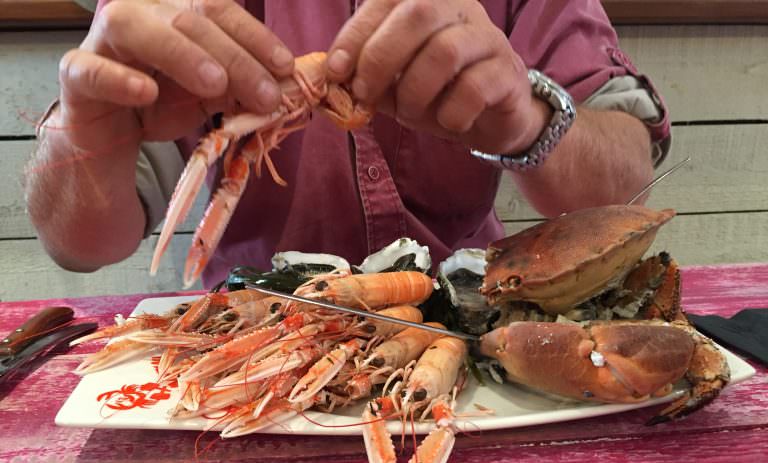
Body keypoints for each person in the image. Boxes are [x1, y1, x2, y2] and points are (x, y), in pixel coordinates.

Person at [25, 0, 670, 289]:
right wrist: (87, 135)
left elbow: (625, 181)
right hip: (256, 320)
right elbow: (79, 243)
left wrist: (526, 118)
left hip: (470, 308)